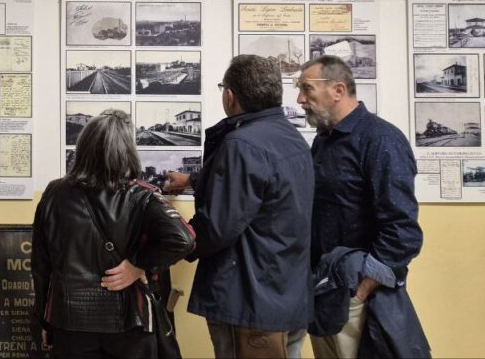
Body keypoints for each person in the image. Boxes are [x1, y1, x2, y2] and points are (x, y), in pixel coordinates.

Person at [165, 55, 313, 359]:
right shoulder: (291, 137)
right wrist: (194, 180)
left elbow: (218, 226)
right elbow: (263, 189)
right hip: (287, 294)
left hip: (248, 301)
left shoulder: (241, 145)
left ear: (230, 96)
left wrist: (173, 244)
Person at [33, 109, 195, 359]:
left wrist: (43, 321)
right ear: (127, 150)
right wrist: (138, 265)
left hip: (68, 321)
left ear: (83, 146)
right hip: (129, 321)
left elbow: (40, 265)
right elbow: (184, 239)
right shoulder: (141, 195)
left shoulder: (54, 193)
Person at [295, 56, 427, 359]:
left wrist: (362, 290)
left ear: (338, 90)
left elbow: (402, 229)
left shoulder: (381, 139)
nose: (300, 99)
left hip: (355, 295)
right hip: (323, 289)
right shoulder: (325, 139)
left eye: (306, 89)